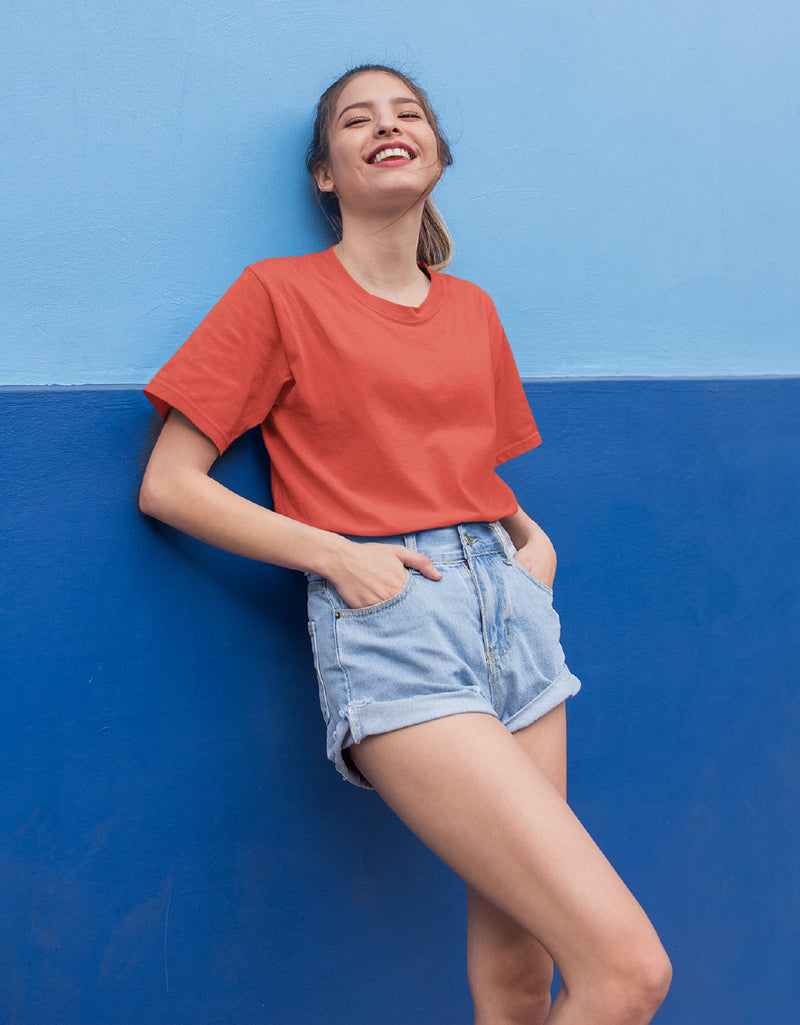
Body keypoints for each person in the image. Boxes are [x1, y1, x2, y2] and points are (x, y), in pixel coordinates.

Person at [140, 64, 671, 1025]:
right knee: (629, 970)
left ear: (437, 154)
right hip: (397, 623)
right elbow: (168, 485)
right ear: (325, 175)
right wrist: (337, 555)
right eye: (357, 119)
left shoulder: (472, 308)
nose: (387, 126)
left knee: (521, 972)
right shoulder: (277, 295)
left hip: (514, 618)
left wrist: (530, 548)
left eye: (408, 113)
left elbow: (474, 473)